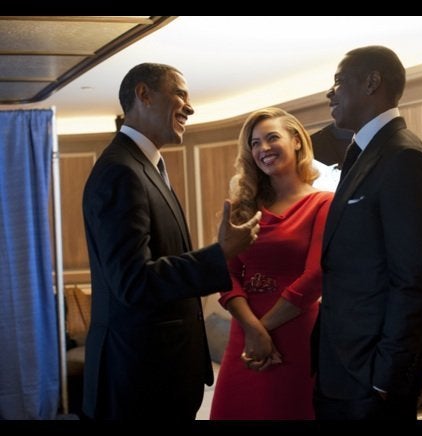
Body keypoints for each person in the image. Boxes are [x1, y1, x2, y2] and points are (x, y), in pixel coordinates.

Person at [81, 63, 261, 420]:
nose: (190, 107)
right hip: (140, 382)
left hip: (162, 376)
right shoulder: (121, 171)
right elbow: (133, 282)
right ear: (143, 94)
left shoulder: (146, 167)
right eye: (180, 93)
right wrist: (219, 255)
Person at [312, 46, 422, 420]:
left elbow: (412, 279)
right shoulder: (363, 153)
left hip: (371, 374)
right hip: (341, 367)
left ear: (372, 82)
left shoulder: (404, 157)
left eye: (338, 81)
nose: (329, 93)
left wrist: (385, 376)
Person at [210, 107, 333, 419]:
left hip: (294, 332)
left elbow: (315, 275)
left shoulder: (323, 203)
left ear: (296, 141)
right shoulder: (241, 208)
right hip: (243, 332)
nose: (263, 148)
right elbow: (224, 272)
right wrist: (251, 329)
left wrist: (261, 330)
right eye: (254, 143)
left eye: (272, 138)